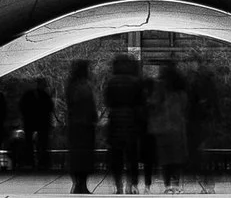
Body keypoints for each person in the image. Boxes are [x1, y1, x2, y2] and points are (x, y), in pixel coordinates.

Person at [104, 55, 151, 194]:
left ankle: (118, 185)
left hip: (115, 121)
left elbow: (107, 101)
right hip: (132, 121)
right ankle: (132, 184)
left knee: (116, 156)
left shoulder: (112, 82)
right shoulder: (136, 82)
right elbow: (141, 102)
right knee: (132, 156)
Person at [150, 61, 190, 192]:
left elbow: (154, 105)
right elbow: (185, 106)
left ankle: (168, 185)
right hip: (178, 126)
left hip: (163, 127)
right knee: (177, 157)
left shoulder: (160, 87)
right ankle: (176, 183)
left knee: (165, 158)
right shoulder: (181, 92)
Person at [65, 62, 99, 194]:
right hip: (84, 126)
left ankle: (78, 183)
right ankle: (81, 184)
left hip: (75, 125)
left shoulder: (71, 86)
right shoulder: (84, 87)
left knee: (76, 155)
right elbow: (89, 106)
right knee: (84, 155)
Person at [23, 76, 57, 173]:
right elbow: (50, 108)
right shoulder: (44, 95)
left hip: (33, 122)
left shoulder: (29, 95)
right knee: (42, 143)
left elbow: (23, 107)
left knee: (35, 143)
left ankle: (33, 162)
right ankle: (40, 162)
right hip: (41, 123)